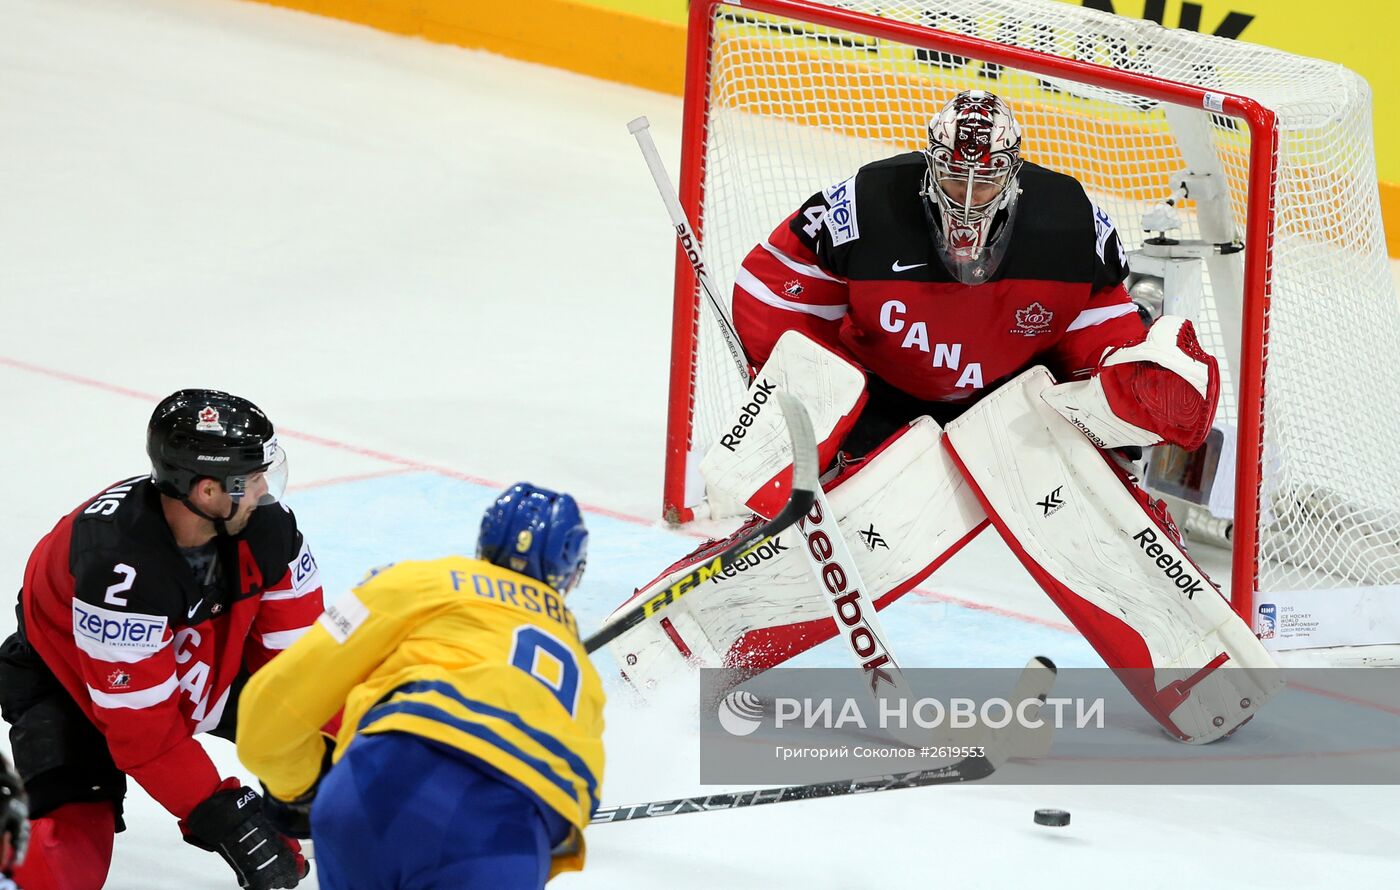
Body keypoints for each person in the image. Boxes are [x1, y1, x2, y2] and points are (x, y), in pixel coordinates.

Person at [731, 88, 1212, 461]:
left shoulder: (1070, 222)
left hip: (1007, 413)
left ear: (1012, 176)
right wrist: (799, 383)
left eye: (983, 180)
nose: (966, 195)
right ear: (930, 165)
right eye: (955, 175)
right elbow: (776, 286)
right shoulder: (867, 202)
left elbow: (1097, 325)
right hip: (875, 397)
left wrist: (1125, 387)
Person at [0, 389, 321, 890]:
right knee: (62, 864)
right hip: (74, 684)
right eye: (252, 479)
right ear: (208, 492)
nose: (265, 491)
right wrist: (231, 820)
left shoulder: (270, 531)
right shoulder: (117, 568)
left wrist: (320, 768)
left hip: (198, 656)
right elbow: (145, 733)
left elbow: (306, 670)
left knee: (356, 737)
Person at [237, 482, 604, 890]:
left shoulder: (413, 581)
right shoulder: (584, 676)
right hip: (504, 839)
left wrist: (304, 788)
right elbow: (573, 803)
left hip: (372, 787)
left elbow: (271, 706)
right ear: (571, 572)